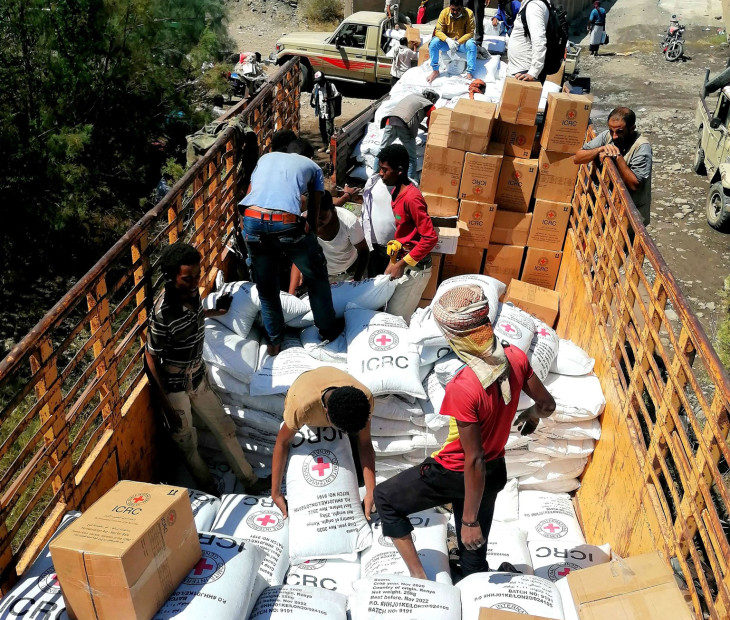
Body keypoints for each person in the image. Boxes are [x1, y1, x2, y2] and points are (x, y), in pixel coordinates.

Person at [374, 285, 556, 579]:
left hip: (455, 472)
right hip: (494, 473)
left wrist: (470, 521)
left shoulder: (464, 386)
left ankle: (420, 580)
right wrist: (532, 414)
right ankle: (472, 579)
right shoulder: (517, 357)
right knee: (473, 562)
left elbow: (473, 460)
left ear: (453, 337)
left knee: (385, 498)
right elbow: (547, 404)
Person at [145, 242, 270, 496]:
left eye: (197, 276)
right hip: (175, 388)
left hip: (198, 378)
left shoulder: (191, 295)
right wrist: (167, 405)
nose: (194, 283)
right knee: (187, 442)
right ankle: (209, 488)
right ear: (170, 278)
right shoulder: (162, 313)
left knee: (224, 428)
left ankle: (249, 480)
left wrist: (217, 311)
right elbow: (149, 357)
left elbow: (195, 315)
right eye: (187, 278)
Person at [239, 132, 340, 356]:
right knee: (316, 277)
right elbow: (313, 212)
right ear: (308, 156)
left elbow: (248, 198)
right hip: (285, 223)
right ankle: (328, 331)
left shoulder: (265, 159)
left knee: (266, 289)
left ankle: (274, 343)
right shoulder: (312, 167)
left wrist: (250, 232)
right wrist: (308, 240)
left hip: (252, 220)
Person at [270, 367, 376, 520]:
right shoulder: (301, 408)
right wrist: (276, 493)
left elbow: (365, 443)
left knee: (358, 474)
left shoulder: (363, 400)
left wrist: (371, 490)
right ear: (325, 412)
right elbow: (282, 443)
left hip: (332, 377)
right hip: (305, 383)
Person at [377, 144, 438, 322]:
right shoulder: (396, 191)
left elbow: (430, 238)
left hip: (415, 270)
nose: (380, 173)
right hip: (402, 264)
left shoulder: (412, 198)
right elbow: (405, 233)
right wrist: (393, 261)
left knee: (397, 319)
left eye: (384, 170)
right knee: (388, 312)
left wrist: (401, 264)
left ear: (400, 171)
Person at [574, 107, 653, 225]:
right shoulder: (608, 136)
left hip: (629, 213)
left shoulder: (641, 148)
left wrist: (618, 157)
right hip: (604, 206)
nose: (614, 136)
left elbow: (634, 184)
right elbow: (578, 158)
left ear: (632, 129)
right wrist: (600, 149)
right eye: (611, 131)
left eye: (620, 132)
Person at [290, 190, 369, 288]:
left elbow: (364, 251)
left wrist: (356, 281)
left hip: (350, 273)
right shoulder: (304, 223)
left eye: (322, 217)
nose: (316, 221)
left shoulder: (349, 222)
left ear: (332, 209)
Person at [374, 90, 439, 182]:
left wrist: (424, 128)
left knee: (382, 151)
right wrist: (431, 129)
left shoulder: (412, 97)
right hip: (404, 126)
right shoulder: (428, 103)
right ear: (432, 98)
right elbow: (433, 116)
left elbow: (407, 115)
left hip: (390, 121)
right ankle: (409, 182)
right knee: (411, 158)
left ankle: (373, 177)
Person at [427, 0, 478, 83]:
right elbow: (438, 31)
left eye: (458, 10)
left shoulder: (469, 13)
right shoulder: (444, 13)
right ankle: (435, 70)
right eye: (453, 9)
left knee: (471, 44)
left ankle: (469, 72)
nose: (455, 12)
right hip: (448, 44)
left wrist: (458, 42)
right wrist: (448, 40)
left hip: (461, 44)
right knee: (434, 43)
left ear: (462, 8)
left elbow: (470, 32)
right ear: (450, 7)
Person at [361, 172, 398, 277]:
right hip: (374, 246)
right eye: (381, 168)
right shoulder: (373, 183)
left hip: (395, 248)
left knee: (390, 281)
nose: (381, 172)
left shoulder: (409, 187)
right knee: (373, 281)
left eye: (385, 169)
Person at [507, 0, 550, 82]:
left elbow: (539, 40)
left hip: (524, 73)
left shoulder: (534, 6)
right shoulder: (530, 4)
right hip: (520, 70)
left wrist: (533, 72)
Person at [310, 72, 340, 153]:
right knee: (322, 129)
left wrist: (329, 99)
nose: (319, 82)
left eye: (320, 81)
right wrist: (311, 102)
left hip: (329, 111)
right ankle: (325, 145)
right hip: (321, 112)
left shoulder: (330, 86)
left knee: (329, 129)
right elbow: (313, 94)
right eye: (317, 81)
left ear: (323, 79)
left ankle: (331, 146)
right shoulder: (316, 86)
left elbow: (338, 96)